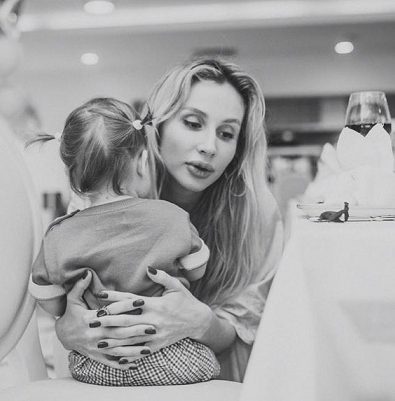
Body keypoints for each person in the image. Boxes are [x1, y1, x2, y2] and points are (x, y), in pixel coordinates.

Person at [46, 57, 283, 383]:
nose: (209, 147)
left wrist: (201, 323)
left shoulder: (256, 213)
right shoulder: (100, 192)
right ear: (156, 127)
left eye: (227, 133)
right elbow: (63, 303)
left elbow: (245, 331)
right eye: (193, 123)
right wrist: (66, 328)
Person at [28, 97, 221, 386]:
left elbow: (51, 304)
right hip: (172, 359)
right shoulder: (171, 216)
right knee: (211, 365)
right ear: (142, 161)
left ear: (69, 173)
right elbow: (197, 269)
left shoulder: (58, 234)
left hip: (98, 365)